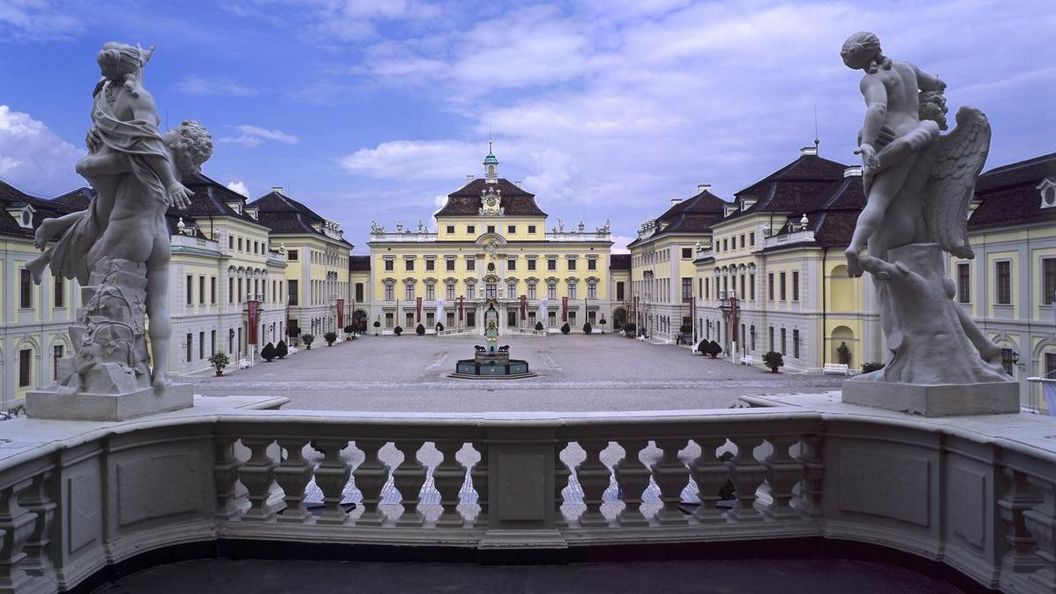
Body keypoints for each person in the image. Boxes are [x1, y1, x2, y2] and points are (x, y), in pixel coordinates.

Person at [840, 31, 946, 277]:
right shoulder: (907, 68)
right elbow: (938, 85)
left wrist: (867, 141)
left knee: (880, 198)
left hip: (893, 140)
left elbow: (877, 107)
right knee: (894, 196)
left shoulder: (872, 79)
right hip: (915, 132)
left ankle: (855, 246)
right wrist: (933, 95)